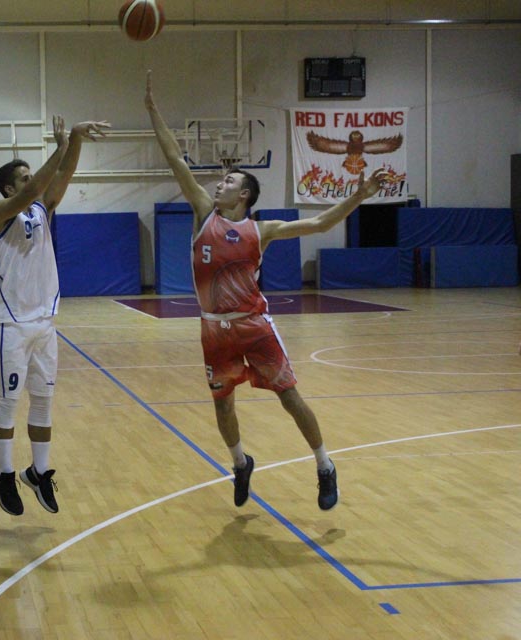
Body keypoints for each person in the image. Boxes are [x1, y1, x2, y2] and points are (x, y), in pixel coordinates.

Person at [144, 71, 387, 510]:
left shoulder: (262, 230)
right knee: (222, 405)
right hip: (213, 328)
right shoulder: (203, 214)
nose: (219, 184)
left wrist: (359, 196)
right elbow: (175, 159)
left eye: (229, 182)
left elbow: (321, 223)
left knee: (289, 397)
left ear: (245, 195)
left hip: (253, 325)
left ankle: (325, 465)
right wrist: (152, 111)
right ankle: (240, 463)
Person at [0, 115, 110, 516]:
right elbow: (35, 189)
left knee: (43, 400)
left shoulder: (41, 210)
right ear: (10, 188)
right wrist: (57, 148)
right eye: (23, 178)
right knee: (8, 402)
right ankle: (5, 474)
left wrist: (74, 140)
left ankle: (38, 473)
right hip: (10, 323)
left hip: (44, 322)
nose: (32, 182)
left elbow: (62, 176)